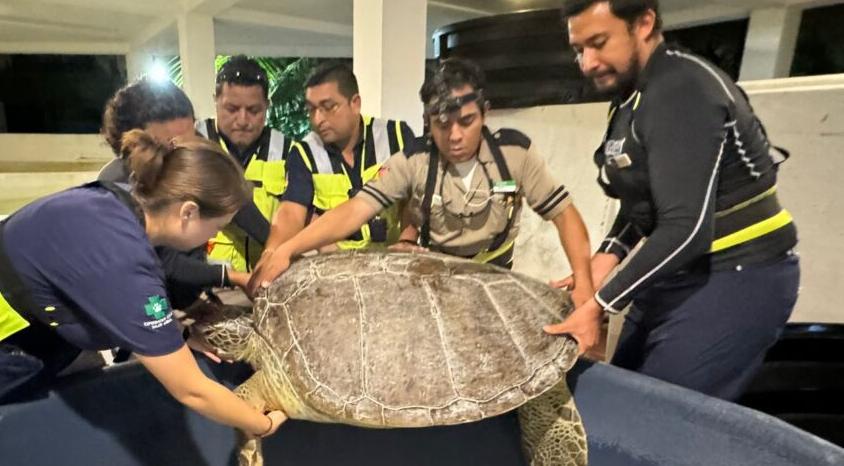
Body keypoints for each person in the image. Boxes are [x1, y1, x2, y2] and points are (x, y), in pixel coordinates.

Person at [0, 131, 288, 438]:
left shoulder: (115, 203)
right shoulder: (120, 258)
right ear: (187, 212)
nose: (211, 240)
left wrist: (172, 337)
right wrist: (261, 423)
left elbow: (117, 288)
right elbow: (192, 391)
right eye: (215, 227)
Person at [547, 0, 800, 400]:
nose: (587, 63)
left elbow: (686, 228)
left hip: (737, 277)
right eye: (578, 49)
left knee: (662, 421)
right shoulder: (631, 96)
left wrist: (601, 304)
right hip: (680, 274)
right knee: (618, 397)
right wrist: (601, 263)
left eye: (599, 43)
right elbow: (644, 204)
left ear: (644, 23)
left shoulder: (680, 88)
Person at [250, 58, 600, 352]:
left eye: (467, 121)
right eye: (441, 125)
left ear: (485, 113)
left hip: (496, 283)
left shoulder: (515, 154)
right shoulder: (414, 160)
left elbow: (564, 214)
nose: (455, 136)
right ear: (428, 122)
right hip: (437, 284)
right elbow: (356, 209)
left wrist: (584, 283)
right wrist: (286, 249)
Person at [100, 77, 256, 302]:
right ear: (136, 143)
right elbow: (164, 262)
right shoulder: (115, 191)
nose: (186, 151)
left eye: (191, 137)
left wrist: (279, 249)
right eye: (171, 143)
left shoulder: (186, 154)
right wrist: (231, 277)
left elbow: (231, 202)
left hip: (188, 296)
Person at [258, 62, 415, 260]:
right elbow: (292, 211)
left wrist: (407, 240)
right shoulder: (305, 153)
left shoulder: (396, 137)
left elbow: (415, 198)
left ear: (355, 103)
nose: (318, 119)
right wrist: (272, 253)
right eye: (311, 109)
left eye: (328, 107)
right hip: (335, 265)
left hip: (393, 260)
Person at [195, 56, 289, 272]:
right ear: (215, 101)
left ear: (267, 106)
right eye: (232, 109)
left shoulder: (289, 151)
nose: (243, 120)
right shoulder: (195, 141)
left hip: (271, 281)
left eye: (254, 110)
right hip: (207, 284)